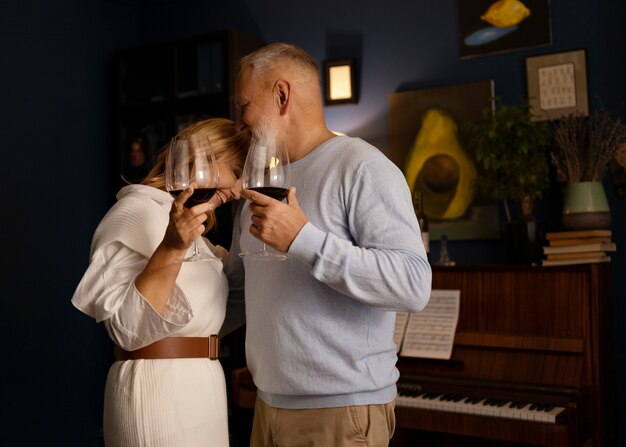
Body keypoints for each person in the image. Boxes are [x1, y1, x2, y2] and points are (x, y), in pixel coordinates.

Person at [223, 43, 432, 446]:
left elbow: (413, 285)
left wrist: (302, 238)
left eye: (244, 106)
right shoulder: (258, 182)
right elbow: (237, 296)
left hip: (341, 414)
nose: (239, 122)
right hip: (266, 408)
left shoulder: (362, 166)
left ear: (282, 95)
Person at [72, 118, 249, 447]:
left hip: (202, 387)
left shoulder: (202, 242)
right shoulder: (134, 211)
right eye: (237, 172)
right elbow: (126, 328)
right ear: (206, 156)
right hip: (157, 390)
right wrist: (172, 248)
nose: (237, 190)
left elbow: (226, 309)